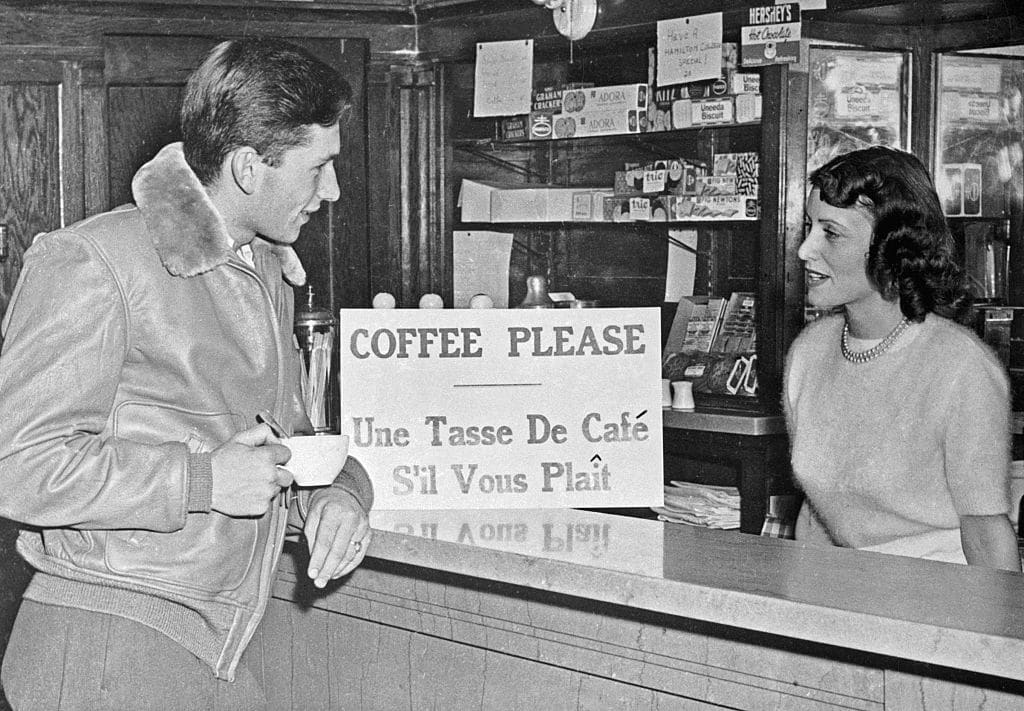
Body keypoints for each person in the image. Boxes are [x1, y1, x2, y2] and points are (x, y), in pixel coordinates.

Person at [0, 38, 374, 709]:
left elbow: (282, 446)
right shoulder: (93, 261)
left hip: (200, 644)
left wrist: (338, 494)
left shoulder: (263, 272)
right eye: (319, 168)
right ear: (248, 168)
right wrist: (203, 479)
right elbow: (14, 464)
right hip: (105, 641)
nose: (334, 191)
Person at [785, 145, 1020, 570]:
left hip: (941, 602)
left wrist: (997, 635)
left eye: (830, 233)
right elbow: (817, 516)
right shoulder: (809, 352)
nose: (804, 250)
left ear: (891, 248)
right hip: (846, 595)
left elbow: (985, 535)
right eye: (809, 227)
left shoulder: (959, 366)